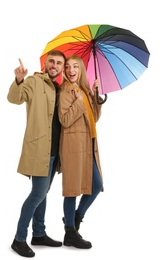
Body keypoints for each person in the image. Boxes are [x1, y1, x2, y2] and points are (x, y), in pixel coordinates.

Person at [7, 50, 66, 257]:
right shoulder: (33, 82)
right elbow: (14, 98)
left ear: (62, 67)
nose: (55, 65)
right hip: (40, 149)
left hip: (55, 151)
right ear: (45, 64)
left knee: (43, 193)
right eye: (52, 61)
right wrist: (19, 79)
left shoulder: (60, 88)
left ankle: (39, 234)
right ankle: (19, 239)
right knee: (38, 194)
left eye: (59, 63)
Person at [58, 54, 104, 249]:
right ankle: (70, 231)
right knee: (72, 190)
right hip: (73, 146)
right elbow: (65, 119)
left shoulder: (84, 90)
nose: (71, 70)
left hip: (89, 144)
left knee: (96, 185)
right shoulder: (66, 91)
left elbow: (95, 117)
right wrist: (78, 101)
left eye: (75, 66)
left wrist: (95, 96)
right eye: (68, 67)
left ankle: (75, 218)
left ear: (81, 69)